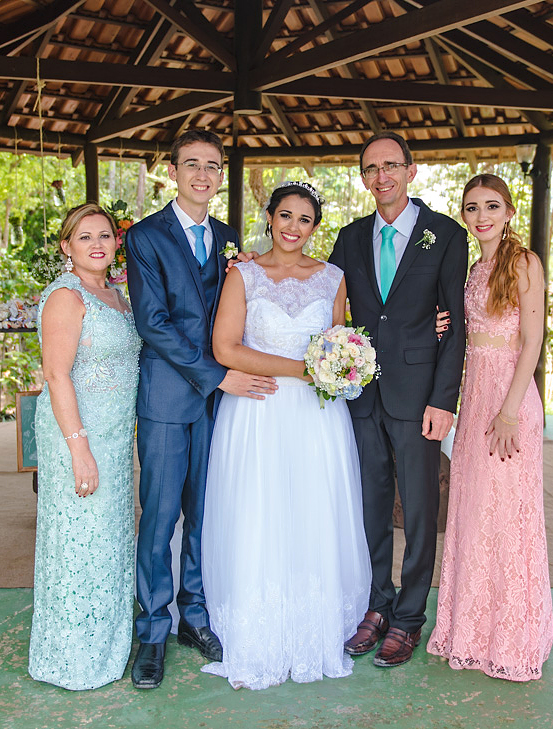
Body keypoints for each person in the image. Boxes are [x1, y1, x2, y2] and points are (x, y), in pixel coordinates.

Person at [201, 182, 371, 690]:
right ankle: (259, 623)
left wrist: (339, 367)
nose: (293, 228)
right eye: (285, 216)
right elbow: (226, 348)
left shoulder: (334, 278)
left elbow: (341, 343)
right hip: (258, 410)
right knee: (261, 508)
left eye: (305, 220)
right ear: (270, 217)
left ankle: (311, 624)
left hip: (317, 419)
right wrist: (305, 367)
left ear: (315, 227)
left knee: (312, 508)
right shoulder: (244, 274)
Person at [125, 129, 278, 690]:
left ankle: (195, 614)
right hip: (169, 397)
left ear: (220, 174)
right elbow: (153, 322)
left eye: (212, 166)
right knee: (161, 516)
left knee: (205, 513)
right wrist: (220, 375)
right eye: (192, 164)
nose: (202, 175)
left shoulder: (228, 237)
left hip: (220, 403)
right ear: (173, 170)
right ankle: (152, 630)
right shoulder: (144, 236)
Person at [329, 132, 468, 668]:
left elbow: (455, 325)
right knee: (369, 509)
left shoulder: (446, 235)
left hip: (419, 398)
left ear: (411, 171)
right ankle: (376, 606)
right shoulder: (349, 237)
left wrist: (443, 399)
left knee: (419, 510)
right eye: (370, 168)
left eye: (391, 165)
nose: (380, 176)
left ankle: (410, 617)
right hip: (363, 395)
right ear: (363, 178)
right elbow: (331, 301)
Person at [427, 173, 553, 681]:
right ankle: (471, 628)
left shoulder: (523, 263)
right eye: (473, 207)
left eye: (492, 206)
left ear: (509, 212)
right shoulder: (473, 268)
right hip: (475, 394)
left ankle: (512, 635)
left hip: (509, 396)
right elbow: (466, 328)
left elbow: (532, 339)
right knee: (474, 510)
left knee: (510, 514)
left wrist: (509, 410)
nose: (482, 216)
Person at [29, 203, 141, 690]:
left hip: (115, 440)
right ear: (65, 246)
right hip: (78, 435)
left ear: (117, 242)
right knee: (78, 543)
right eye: (84, 236)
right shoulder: (66, 298)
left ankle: (108, 644)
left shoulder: (116, 295)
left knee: (110, 539)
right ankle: (72, 655)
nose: (97, 243)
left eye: (104, 235)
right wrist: (79, 448)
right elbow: (56, 375)